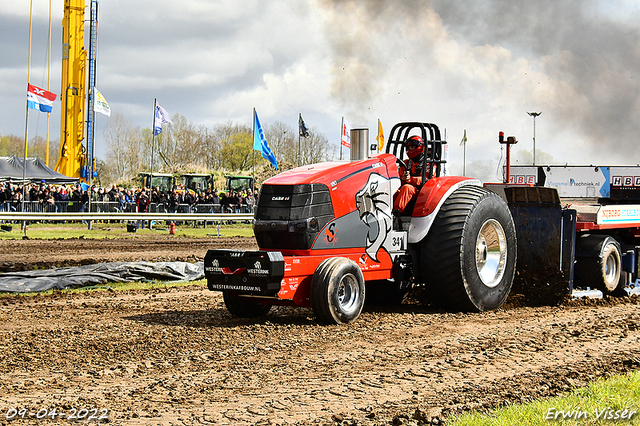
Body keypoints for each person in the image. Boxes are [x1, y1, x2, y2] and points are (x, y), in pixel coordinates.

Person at [393, 135, 427, 215]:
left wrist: (410, 179)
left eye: (412, 147)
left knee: (407, 188)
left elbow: (427, 179)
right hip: (405, 191)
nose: (409, 150)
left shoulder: (428, 164)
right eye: (408, 147)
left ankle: (396, 213)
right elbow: (399, 177)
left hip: (421, 192)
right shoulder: (406, 163)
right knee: (392, 190)